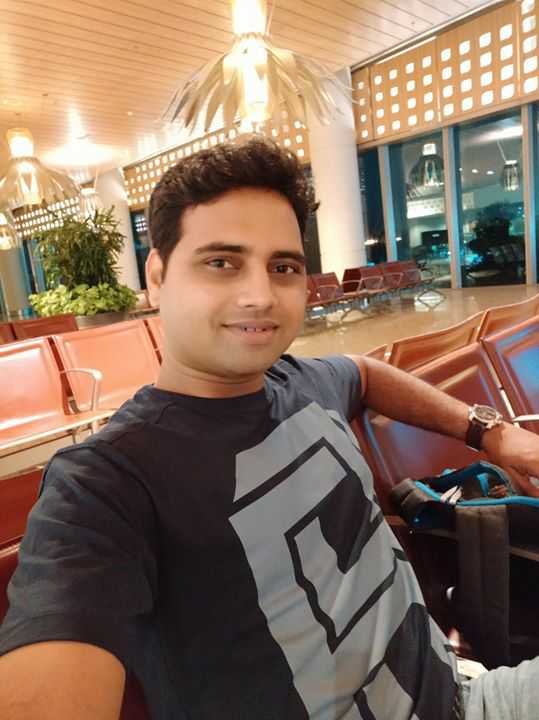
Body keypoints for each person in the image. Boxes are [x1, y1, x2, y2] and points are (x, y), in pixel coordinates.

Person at [1, 137, 538, 720]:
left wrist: (490, 433)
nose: (260, 295)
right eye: (221, 262)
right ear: (156, 276)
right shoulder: (103, 486)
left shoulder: (303, 381)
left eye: (282, 267)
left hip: (468, 698)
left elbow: (363, 373)